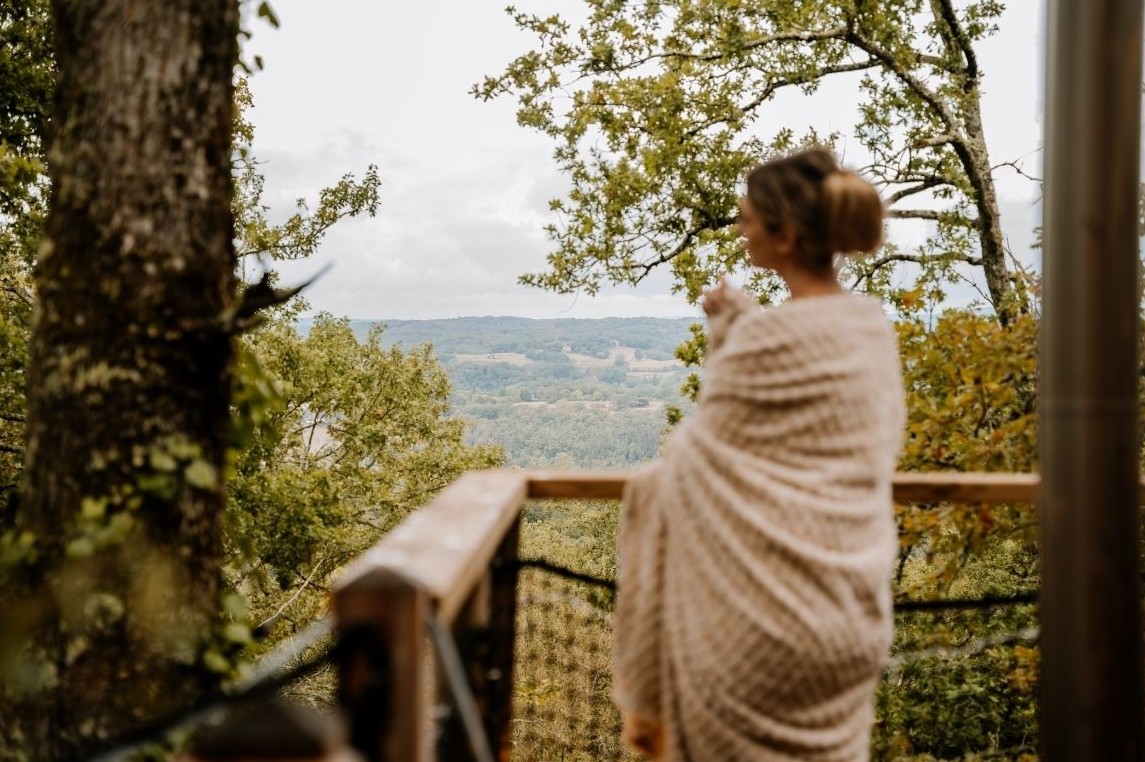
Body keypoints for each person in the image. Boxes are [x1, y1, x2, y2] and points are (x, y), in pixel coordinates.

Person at [612, 147, 906, 761]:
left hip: (760, 628)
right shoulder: (869, 327)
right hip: (849, 617)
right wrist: (740, 328)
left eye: (748, 221)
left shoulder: (765, 338)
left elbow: (697, 456)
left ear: (786, 235)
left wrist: (732, 333)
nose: (741, 234)